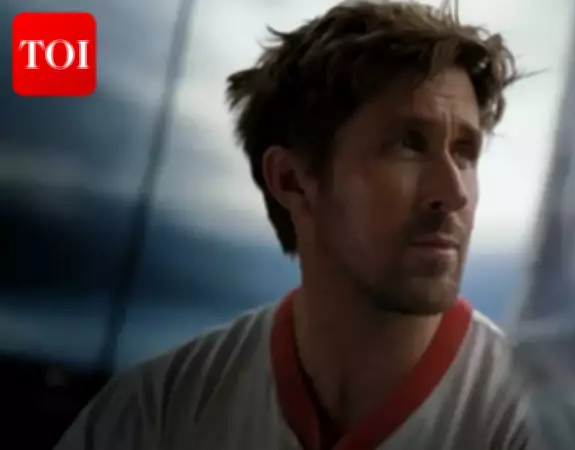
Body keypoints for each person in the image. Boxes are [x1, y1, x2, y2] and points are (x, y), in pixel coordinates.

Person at [54, 1, 530, 449]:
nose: (454, 191)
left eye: (464, 151)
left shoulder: (533, 422)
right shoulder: (152, 414)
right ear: (292, 181)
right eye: (408, 143)